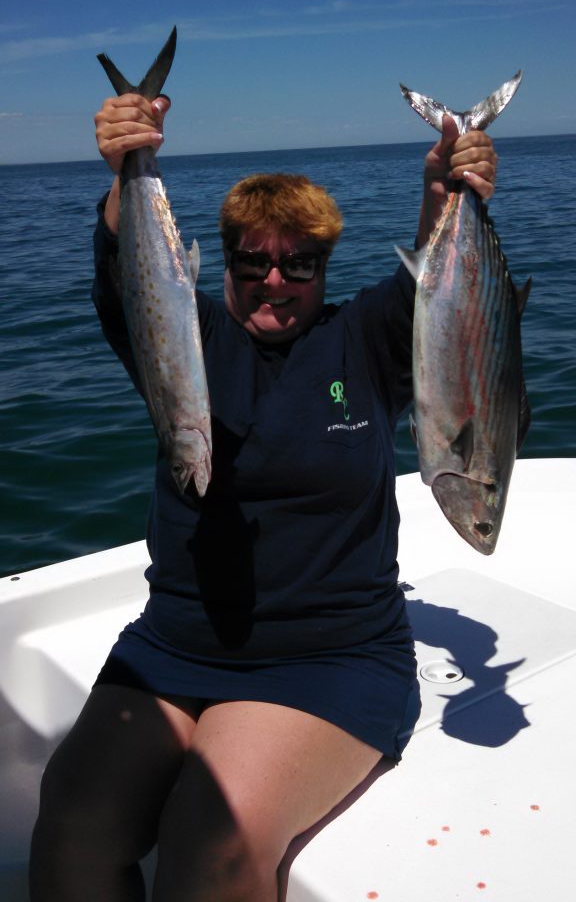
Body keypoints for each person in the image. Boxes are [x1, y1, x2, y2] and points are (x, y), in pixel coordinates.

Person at [29, 89, 497, 902]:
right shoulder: (188, 334)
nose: (274, 282)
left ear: (325, 264)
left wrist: (443, 184)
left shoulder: (369, 337)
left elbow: (440, 285)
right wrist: (123, 175)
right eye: (252, 263)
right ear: (223, 264)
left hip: (331, 658)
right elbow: (125, 289)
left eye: (299, 263)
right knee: (72, 821)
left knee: (209, 838)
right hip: (172, 645)